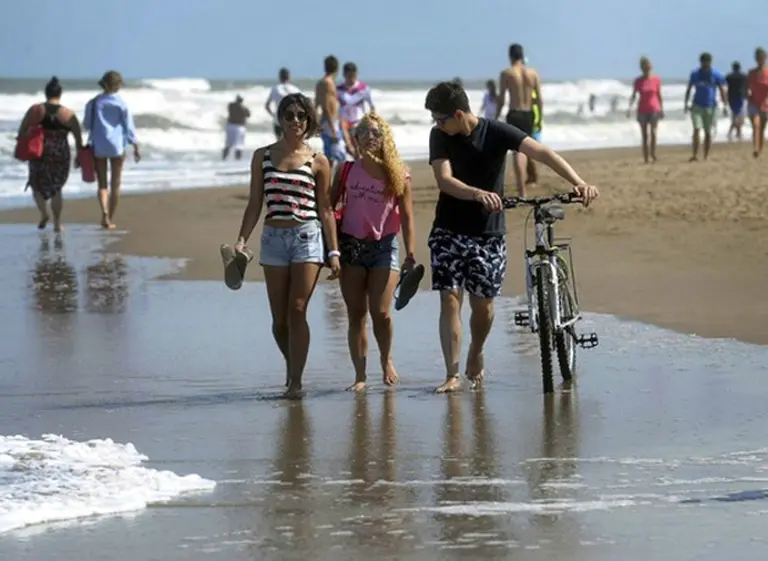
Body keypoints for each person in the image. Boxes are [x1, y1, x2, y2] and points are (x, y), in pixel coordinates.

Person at [424, 81, 599, 393]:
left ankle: (476, 352)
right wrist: (477, 193)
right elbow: (445, 180)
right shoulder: (440, 136)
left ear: (460, 114)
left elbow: (541, 152)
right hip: (448, 229)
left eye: (441, 119)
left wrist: (579, 182)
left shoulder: (495, 131)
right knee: (450, 298)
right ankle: (451, 375)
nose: (438, 125)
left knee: (484, 307)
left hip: (488, 233)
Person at [232, 93, 340, 399]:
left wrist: (333, 252)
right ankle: (293, 366)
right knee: (279, 321)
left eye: (302, 115)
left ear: (309, 121)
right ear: (280, 118)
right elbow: (255, 203)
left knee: (297, 310)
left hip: (307, 237)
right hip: (273, 240)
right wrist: (242, 240)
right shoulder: (262, 156)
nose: (296, 120)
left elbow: (326, 209)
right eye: (289, 115)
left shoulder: (318, 160)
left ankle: (295, 382)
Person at [334, 113, 416, 392]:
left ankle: (386, 359)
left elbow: (407, 214)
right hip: (351, 247)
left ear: (385, 139)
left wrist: (411, 253)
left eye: (377, 133)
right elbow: (329, 208)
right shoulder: (346, 170)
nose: (371, 137)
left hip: (384, 247)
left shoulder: (399, 173)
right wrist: (331, 250)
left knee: (380, 312)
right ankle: (360, 376)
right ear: (355, 139)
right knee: (356, 313)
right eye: (365, 133)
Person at [16, 76, 84, 232]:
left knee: (35, 184)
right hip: (60, 153)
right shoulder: (68, 114)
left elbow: (22, 131)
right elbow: (78, 138)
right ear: (60, 94)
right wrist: (79, 156)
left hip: (39, 151)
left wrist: (26, 139)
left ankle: (43, 213)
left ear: (46, 93)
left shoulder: (35, 110)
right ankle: (57, 224)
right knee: (57, 187)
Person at [84, 71, 140, 230]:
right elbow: (129, 128)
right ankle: (109, 218)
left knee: (102, 184)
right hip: (117, 147)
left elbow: (87, 125)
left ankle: (104, 212)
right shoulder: (122, 104)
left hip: (99, 146)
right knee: (115, 184)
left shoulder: (94, 103)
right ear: (118, 85)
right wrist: (135, 146)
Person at [496, 43, 541, 196]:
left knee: (518, 152)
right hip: (529, 114)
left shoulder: (507, 73)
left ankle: (522, 191)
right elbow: (539, 100)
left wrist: (495, 117)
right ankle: (528, 181)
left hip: (514, 113)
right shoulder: (533, 73)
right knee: (526, 149)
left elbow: (501, 99)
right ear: (522, 56)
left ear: (510, 56)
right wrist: (540, 119)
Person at [684, 53, 728, 162]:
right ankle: (694, 154)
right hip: (697, 105)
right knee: (697, 129)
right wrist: (686, 103)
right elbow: (689, 88)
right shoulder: (695, 74)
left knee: (708, 132)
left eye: (707, 62)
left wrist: (725, 105)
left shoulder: (716, 74)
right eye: (703, 62)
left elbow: (722, 89)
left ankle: (706, 155)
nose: (705, 64)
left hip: (711, 106)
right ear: (701, 62)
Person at [627, 56, 664, 163]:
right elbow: (634, 95)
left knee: (653, 132)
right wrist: (629, 108)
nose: (646, 69)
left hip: (654, 109)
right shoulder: (638, 81)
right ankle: (646, 158)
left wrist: (662, 109)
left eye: (648, 67)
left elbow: (659, 94)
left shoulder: (656, 79)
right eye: (644, 67)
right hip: (642, 110)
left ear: (651, 67)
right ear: (641, 68)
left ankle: (653, 154)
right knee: (644, 135)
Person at [314, 55, 347, 166]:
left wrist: (316, 123)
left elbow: (316, 104)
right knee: (338, 156)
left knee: (331, 155)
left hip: (326, 121)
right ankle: (331, 182)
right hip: (330, 123)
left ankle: (329, 181)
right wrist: (333, 128)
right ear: (337, 68)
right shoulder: (328, 83)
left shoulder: (320, 83)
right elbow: (326, 106)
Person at [337, 62, 375, 156]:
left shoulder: (363, 88)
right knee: (349, 148)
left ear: (356, 74)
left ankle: (360, 165)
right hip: (344, 122)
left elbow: (371, 106)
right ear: (344, 75)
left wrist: (372, 121)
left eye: (353, 75)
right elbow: (333, 106)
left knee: (359, 149)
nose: (351, 78)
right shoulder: (338, 89)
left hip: (358, 121)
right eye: (348, 75)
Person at [265, 68, 300, 140]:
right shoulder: (295, 89)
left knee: (279, 144)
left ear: (279, 77)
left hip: (278, 120)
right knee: (291, 144)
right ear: (289, 77)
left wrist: (273, 115)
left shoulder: (275, 89)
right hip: (292, 121)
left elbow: (267, 105)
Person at [747, 47, 768, 158]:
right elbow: (746, 87)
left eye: (762, 58)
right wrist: (747, 95)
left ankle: (759, 150)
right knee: (756, 126)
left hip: (765, 104)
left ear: (765, 58)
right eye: (758, 58)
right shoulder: (751, 73)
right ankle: (755, 148)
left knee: (762, 128)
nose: (760, 60)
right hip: (753, 103)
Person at [223, 95, 250, 160]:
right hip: (239, 127)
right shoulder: (242, 108)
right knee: (239, 145)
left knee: (228, 144)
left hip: (230, 125)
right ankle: (238, 160)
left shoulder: (231, 106)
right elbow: (248, 114)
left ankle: (224, 159)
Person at [725, 61, 748, 141]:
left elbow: (726, 87)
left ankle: (734, 132)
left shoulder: (728, 76)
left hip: (731, 97)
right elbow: (746, 87)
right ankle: (736, 133)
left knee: (735, 115)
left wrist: (725, 98)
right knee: (739, 116)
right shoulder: (744, 76)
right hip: (740, 97)